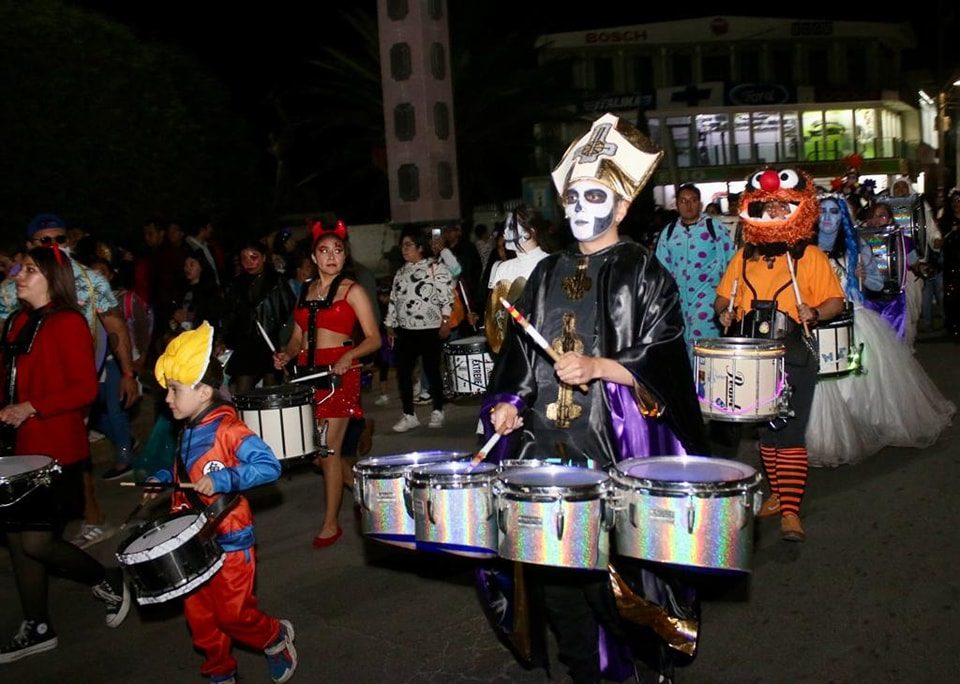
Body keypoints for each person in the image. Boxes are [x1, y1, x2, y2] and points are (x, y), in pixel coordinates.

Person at [485, 113, 708, 683]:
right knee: (558, 589)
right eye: (572, 196)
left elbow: (668, 365)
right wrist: (509, 403)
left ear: (622, 205)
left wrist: (602, 366)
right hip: (544, 456)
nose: (580, 207)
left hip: (612, 456)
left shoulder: (645, 272)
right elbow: (520, 361)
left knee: (615, 589)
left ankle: (637, 672)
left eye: (595, 194)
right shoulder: (544, 274)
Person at [0, 246, 130, 663]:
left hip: (54, 449)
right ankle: (37, 625)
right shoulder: (15, 321)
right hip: (15, 448)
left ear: (52, 277)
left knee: (36, 542)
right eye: (21, 267)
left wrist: (32, 406)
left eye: (30, 269)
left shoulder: (69, 322)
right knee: (19, 540)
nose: (19, 274)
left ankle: (107, 578)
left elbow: (84, 390)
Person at [147, 322, 295, 684]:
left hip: (231, 538)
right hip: (193, 540)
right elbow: (187, 469)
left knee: (234, 615)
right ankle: (219, 670)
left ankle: (274, 637)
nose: (168, 398)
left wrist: (224, 478)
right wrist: (163, 479)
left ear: (203, 392)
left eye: (175, 390)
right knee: (200, 618)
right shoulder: (188, 427)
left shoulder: (229, 430)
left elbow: (268, 466)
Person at [715, 167, 846, 542]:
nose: (773, 214)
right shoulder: (744, 256)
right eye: (767, 208)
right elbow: (724, 296)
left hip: (794, 355)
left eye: (779, 208)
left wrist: (816, 312)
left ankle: (791, 511)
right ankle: (778, 495)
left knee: (789, 432)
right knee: (766, 435)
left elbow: (835, 301)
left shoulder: (809, 256)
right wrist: (724, 309)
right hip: (753, 357)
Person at [0, 214, 141, 548]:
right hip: (24, 385)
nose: (54, 246)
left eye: (60, 239)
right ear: (31, 245)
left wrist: (128, 373)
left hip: (76, 380)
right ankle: (47, 529)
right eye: (44, 241)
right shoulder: (10, 291)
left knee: (68, 452)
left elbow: (114, 325)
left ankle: (87, 519)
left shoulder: (91, 281)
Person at [807, 195, 955, 467]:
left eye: (834, 212)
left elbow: (876, 283)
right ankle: (829, 439)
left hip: (855, 320)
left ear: (843, 217)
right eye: (823, 212)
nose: (827, 218)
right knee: (824, 386)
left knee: (858, 380)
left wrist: (864, 275)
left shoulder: (856, 246)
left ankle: (866, 426)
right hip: (817, 323)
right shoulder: (805, 249)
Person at [272, 221, 381, 548]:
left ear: (344, 255)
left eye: (338, 250)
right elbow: (297, 338)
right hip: (308, 376)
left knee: (328, 450)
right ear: (314, 257)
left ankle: (331, 523)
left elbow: (374, 338)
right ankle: (367, 496)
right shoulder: (305, 291)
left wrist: (350, 356)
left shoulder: (353, 290)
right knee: (319, 457)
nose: (331, 256)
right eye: (324, 251)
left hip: (339, 377)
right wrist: (286, 354)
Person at [655, 183, 735, 359]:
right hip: (678, 305)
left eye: (693, 201)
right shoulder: (668, 233)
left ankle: (708, 385)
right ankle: (688, 386)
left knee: (706, 350)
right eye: (683, 201)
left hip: (708, 301)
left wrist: (727, 300)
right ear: (677, 204)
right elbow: (661, 272)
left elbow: (731, 263)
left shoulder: (714, 228)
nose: (688, 205)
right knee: (680, 352)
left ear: (699, 203)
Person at [384, 228, 453, 432]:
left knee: (432, 370)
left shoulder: (436, 268)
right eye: (403, 245)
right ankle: (409, 414)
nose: (404, 249)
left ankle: (438, 410)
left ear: (420, 247)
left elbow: (446, 296)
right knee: (403, 373)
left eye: (408, 245)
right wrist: (390, 324)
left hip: (430, 329)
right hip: (406, 330)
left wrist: (446, 321)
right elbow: (394, 300)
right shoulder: (401, 272)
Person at [221, 240, 295, 394]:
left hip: (271, 342)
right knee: (242, 391)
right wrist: (224, 339)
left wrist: (284, 342)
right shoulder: (237, 284)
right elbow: (230, 314)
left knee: (271, 390)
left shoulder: (276, 281)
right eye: (244, 258)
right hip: (246, 343)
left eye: (253, 257)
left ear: (264, 257)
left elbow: (290, 312)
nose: (249, 262)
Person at [485, 204, 549, 355]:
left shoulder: (549, 264)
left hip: (538, 347)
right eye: (505, 227)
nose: (505, 232)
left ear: (529, 232)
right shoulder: (503, 268)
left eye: (511, 227)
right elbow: (494, 312)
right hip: (510, 350)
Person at [941, 189, 960, 342]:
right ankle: (952, 328)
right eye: (954, 201)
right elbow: (939, 241)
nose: (957, 204)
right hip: (951, 264)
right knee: (951, 297)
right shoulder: (946, 220)